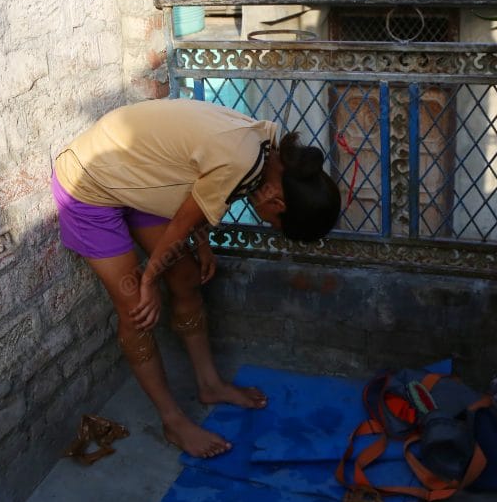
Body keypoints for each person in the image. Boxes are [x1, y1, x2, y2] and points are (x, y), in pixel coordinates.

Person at [51, 98, 341, 458]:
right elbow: (183, 223)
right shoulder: (246, 160)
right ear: (278, 204)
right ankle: (173, 421)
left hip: (137, 177)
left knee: (186, 275)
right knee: (136, 309)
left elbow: (194, 181)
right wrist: (147, 281)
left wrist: (200, 242)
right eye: (276, 224)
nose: (269, 225)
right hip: (90, 186)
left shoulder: (267, 152)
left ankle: (210, 385)